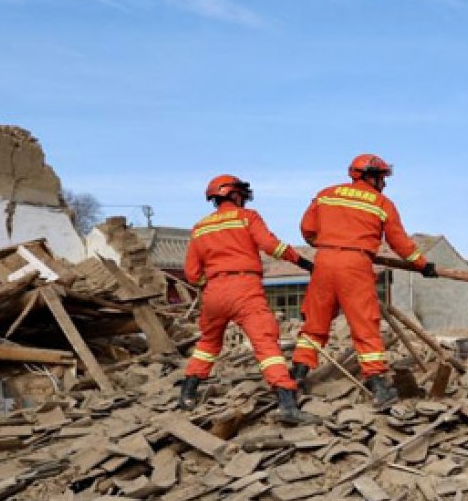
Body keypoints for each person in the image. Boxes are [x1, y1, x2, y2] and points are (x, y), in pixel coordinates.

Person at [289, 154, 436, 406]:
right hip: (355, 266)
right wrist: (422, 265)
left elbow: (307, 229)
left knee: (315, 323)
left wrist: (331, 244)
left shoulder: (326, 194)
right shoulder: (381, 203)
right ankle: (378, 385)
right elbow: (399, 241)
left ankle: (296, 377)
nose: (384, 184)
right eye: (382, 178)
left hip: (323, 261)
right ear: (372, 176)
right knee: (365, 325)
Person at [180, 175, 320, 425]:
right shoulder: (247, 217)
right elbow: (270, 246)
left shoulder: (200, 227)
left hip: (214, 291)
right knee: (266, 344)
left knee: (208, 343)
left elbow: (192, 273)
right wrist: (302, 262)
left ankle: (187, 394)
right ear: (234, 195)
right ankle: (287, 403)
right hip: (244, 287)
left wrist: (210, 285)